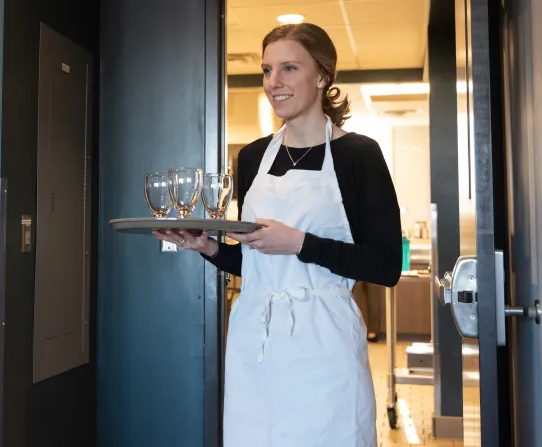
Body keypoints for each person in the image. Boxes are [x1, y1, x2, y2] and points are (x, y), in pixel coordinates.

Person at [154, 23, 402, 446]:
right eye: (267, 70)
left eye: (289, 68)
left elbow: (384, 266)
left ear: (323, 76)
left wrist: (301, 243)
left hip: (324, 341)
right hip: (256, 338)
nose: (274, 82)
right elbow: (254, 260)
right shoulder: (251, 157)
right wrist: (208, 246)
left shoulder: (359, 155)